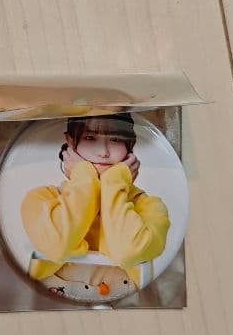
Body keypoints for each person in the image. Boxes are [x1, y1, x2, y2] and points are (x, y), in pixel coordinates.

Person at [19, 113, 170, 302]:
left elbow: (129, 251)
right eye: (90, 138)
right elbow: (57, 245)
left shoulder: (149, 206)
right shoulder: (41, 199)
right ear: (70, 142)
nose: (103, 152)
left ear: (130, 145)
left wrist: (114, 182)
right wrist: (84, 178)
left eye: (115, 139)